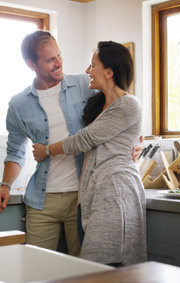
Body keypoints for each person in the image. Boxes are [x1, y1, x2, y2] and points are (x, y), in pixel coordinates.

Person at [0, 31, 142, 257]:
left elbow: (120, 110)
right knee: (38, 269)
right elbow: (15, 152)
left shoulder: (83, 85)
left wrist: (136, 144)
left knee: (84, 270)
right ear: (31, 64)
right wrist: (5, 186)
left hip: (82, 196)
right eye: (50, 59)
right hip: (42, 200)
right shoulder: (19, 105)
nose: (58, 63)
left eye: (59, 55)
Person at [32, 41, 147, 266]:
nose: (87, 71)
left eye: (92, 65)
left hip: (117, 192)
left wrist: (46, 151)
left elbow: (85, 139)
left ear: (109, 71)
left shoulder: (128, 104)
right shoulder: (98, 105)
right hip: (94, 195)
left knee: (106, 265)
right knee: (97, 267)